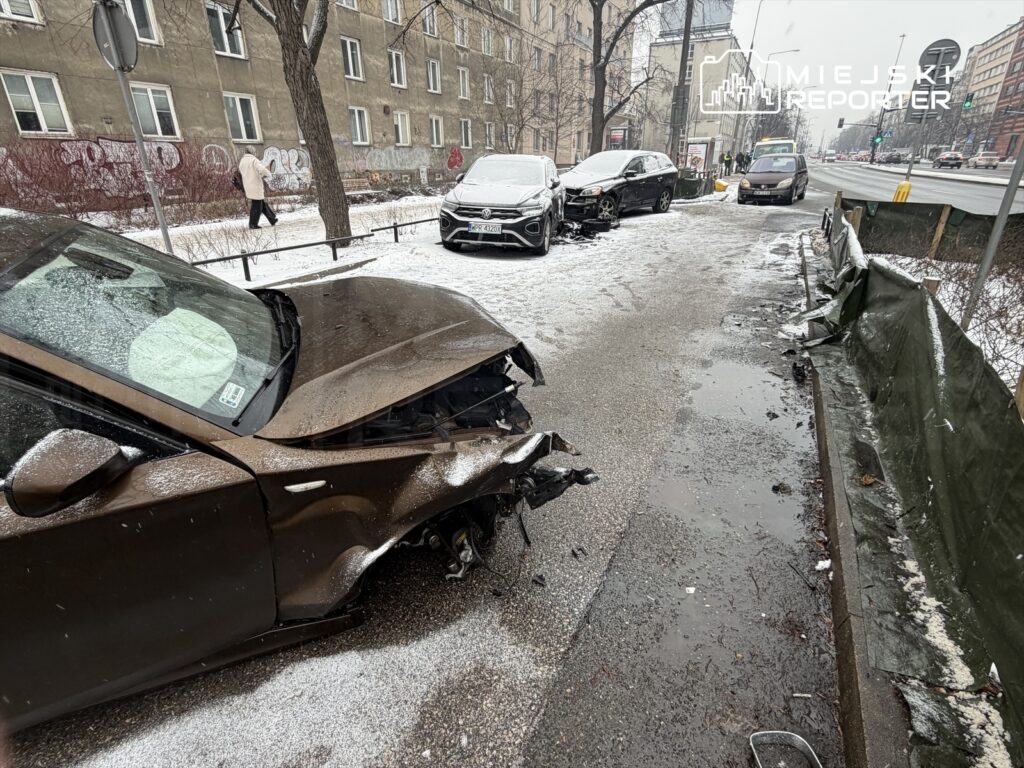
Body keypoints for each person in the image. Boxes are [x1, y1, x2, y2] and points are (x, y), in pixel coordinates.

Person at [238, 148, 277, 229]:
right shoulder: (254, 160)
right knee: (257, 205)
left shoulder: (242, 161)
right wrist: (269, 174)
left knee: (261, 202)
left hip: (247, 185)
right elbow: (262, 169)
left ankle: (272, 219)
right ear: (252, 152)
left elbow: (245, 172)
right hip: (255, 185)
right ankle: (253, 224)